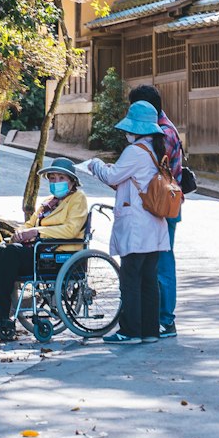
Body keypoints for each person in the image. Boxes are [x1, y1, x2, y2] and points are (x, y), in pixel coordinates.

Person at [0, 157, 88, 327]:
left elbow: (71, 230)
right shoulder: (48, 203)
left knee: (13, 252)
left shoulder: (78, 199)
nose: (56, 182)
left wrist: (37, 232)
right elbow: (30, 223)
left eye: (61, 178)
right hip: (39, 252)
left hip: (59, 255)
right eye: (52, 178)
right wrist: (20, 233)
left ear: (72, 182)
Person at [84, 100, 169, 344]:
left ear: (136, 129)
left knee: (130, 279)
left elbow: (112, 176)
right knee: (149, 281)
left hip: (136, 226)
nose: (126, 134)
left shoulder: (134, 151)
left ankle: (130, 331)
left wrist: (95, 164)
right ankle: (150, 331)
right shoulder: (155, 149)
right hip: (154, 226)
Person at [128, 82, 182, 339]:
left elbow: (153, 171)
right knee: (156, 262)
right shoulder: (162, 129)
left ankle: (164, 319)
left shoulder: (164, 134)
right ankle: (155, 317)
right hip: (159, 203)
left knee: (161, 263)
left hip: (160, 204)